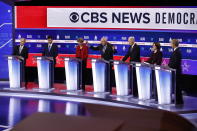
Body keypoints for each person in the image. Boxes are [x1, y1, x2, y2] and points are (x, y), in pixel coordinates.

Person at [168, 39, 183, 105]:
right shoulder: (175, 51)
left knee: (177, 86)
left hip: (176, 71)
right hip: (174, 70)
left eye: (171, 43)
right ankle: (177, 99)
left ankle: (179, 100)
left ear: (174, 44)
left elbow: (176, 63)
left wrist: (169, 66)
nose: (170, 44)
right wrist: (168, 66)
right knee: (176, 86)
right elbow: (172, 61)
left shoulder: (177, 52)